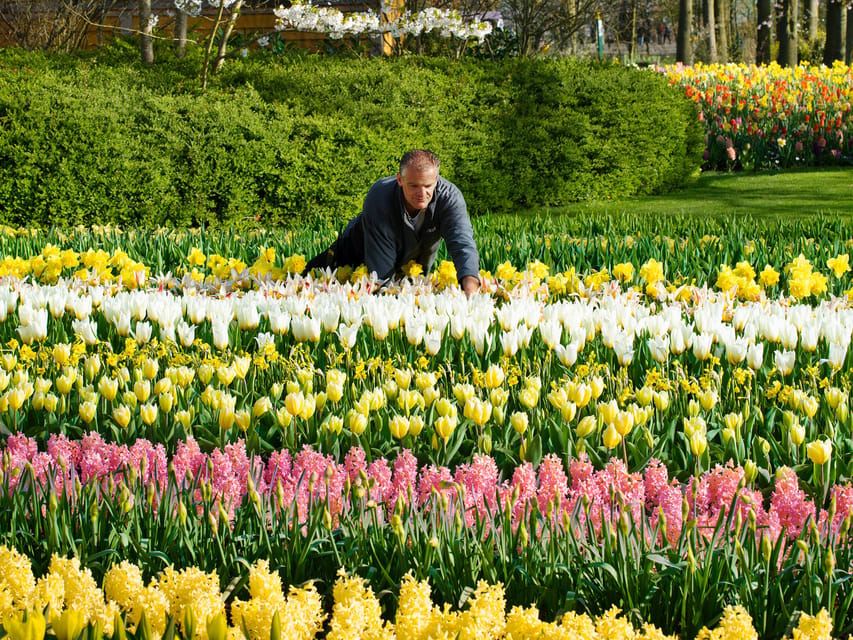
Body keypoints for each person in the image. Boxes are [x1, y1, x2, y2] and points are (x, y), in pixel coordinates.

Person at [305, 150, 481, 296]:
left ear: (436, 180)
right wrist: (389, 294)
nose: (422, 193)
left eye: (428, 186)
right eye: (413, 186)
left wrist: (470, 288)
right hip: (355, 254)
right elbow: (381, 272)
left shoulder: (450, 198)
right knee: (310, 278)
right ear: (399, 180)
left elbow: (462, 242)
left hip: (413, 262)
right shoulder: (380, 196)